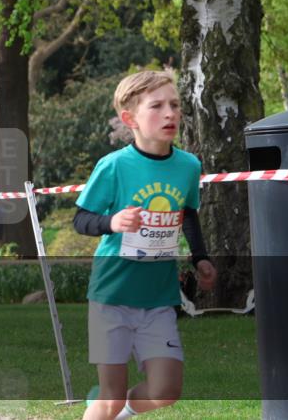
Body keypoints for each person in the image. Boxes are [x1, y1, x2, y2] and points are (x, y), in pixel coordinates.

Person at [72, 70, 217, 420]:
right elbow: (81, 219)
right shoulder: (114, 166)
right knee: (110, 396)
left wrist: (200, 258)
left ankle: (119, 411)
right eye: (157, 106)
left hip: (158, 298)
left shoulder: (188, 165)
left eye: (175, 105)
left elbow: (188, 212)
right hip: (113, 294)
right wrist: (113, 222)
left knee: (166, 391)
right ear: (130, 119)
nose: (169, 113)